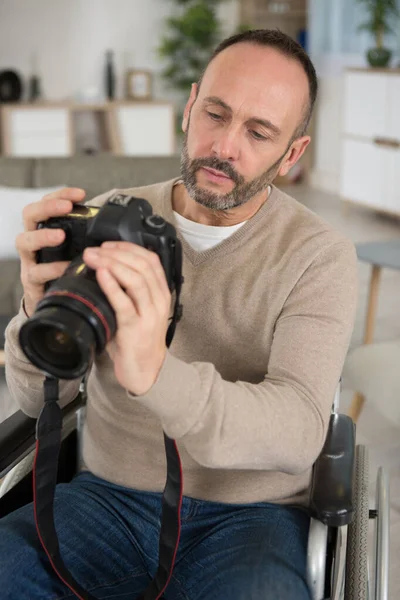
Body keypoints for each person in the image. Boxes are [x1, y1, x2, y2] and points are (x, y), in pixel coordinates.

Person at [0, 29, 358, 599]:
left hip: (252, 518)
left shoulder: (319, 257)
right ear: (190, 107)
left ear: (292, 153)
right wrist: (33, 313)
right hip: (107, 501)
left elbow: (298, 430)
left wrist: (156, 374)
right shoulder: (114, 217)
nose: (224, 146)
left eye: (258, 132)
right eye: (215, 114)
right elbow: (38, 397)